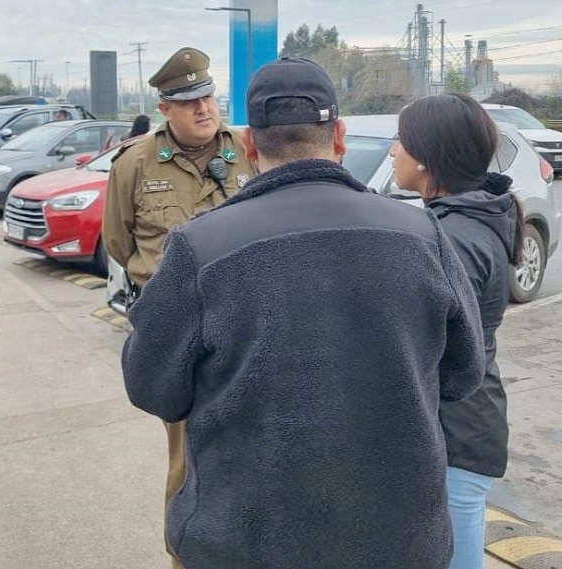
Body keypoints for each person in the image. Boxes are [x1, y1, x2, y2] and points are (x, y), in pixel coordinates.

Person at [120, 57, 487, 569]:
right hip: (398, 541)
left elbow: (152, 387)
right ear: (338, 134)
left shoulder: (199, 247)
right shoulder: (425, 237)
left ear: (249, 144)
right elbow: (463, 375)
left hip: (247, 541)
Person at [102, 46, 256, 569]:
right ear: (165, 108)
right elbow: (120, 244)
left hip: (245, 322)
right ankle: (186, 558)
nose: (204, 109)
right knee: (187, 458)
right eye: (189, 101)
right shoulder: (135, 163)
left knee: (250, 446)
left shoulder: (244, 151)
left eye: (208, 96)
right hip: (177, 331)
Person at [390, 92, 524, 569]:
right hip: (468, 418)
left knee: (454, 555)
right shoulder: (471, 219)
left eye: (400, 142)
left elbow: (429, 340)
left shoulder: (454, 239)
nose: (392, 152)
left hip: (456, 428)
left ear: (426, 159)